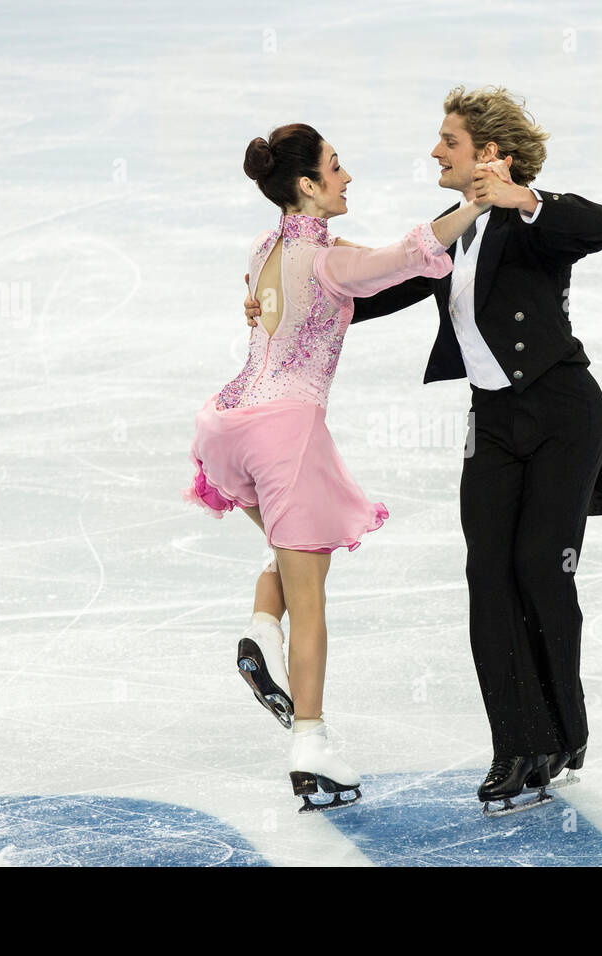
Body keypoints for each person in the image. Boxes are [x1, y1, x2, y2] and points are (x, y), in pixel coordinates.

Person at [245, 88, 602, 815]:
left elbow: (601, 225)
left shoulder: (531, 219)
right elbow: (369, 286)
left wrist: (526, 196)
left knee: (540, 572)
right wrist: (281, 293)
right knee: (488, 577)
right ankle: (516, 746)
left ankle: (563, 735)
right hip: (492, 425)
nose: (435, 152)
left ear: (487, 153)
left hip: (560, 415)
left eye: (447, 141)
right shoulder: (452, 235)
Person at [184, 123, 490, 812]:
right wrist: (474, 206)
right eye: (336, 167)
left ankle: (262, 631)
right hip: (285, 435)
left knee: (297, 565)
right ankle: (311, 745)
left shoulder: (268, 247)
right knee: (313, 596)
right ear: (306, 185)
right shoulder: (325, 262)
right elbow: (399, 255)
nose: (346, 177)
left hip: (228, 425)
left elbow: (384, 260)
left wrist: (435, 235)